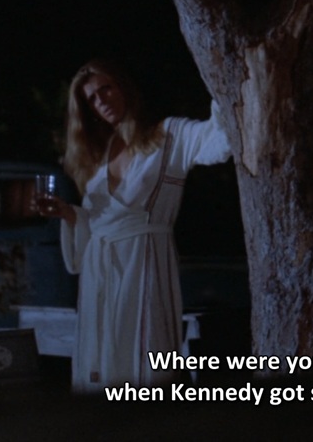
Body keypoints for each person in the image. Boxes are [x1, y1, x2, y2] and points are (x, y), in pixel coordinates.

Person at [35, 59, 231, 394]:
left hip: (143, 261)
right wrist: (69, 214)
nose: (101, 100)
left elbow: (220, 141)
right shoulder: (101, 155)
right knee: (103, 360)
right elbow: (97, 222)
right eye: (92, 98)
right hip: (100, 273)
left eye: (106, 89)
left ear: (123, 87)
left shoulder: (169, 136)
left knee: (145, 355)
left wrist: (223, 82)